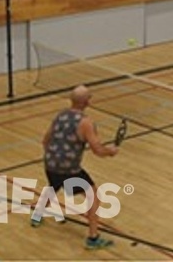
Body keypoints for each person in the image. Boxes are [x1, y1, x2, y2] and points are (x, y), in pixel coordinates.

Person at [31, 85, 119, 250]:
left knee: (54, 185)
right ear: (86, 102)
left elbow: (45, 141)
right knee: (94, 196)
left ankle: (37, 216)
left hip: (49, 163)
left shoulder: (60, 115)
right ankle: (93, 238)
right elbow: (98, 150)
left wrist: (56, 157)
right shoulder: (86, 123)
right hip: (69, 170)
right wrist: (111, 151)